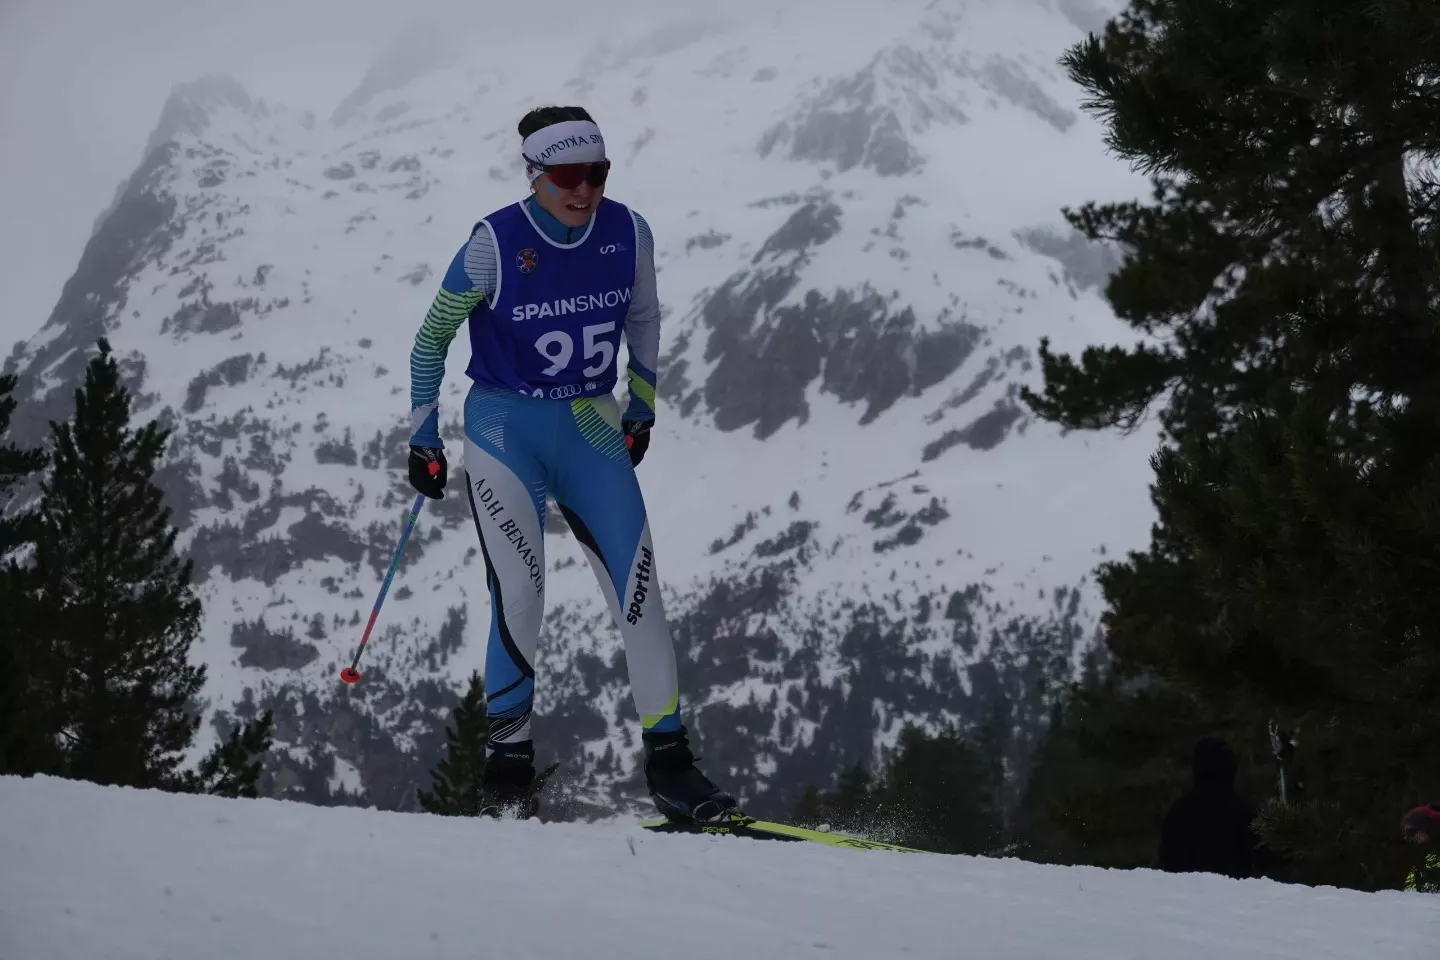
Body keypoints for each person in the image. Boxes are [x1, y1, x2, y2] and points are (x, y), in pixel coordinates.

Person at [406, 104, 736, 824]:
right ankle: (506, 775)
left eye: (597, 173)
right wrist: (423, 440)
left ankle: (673, 767)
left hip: (591, 425)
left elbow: (644, 318)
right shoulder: (494, 243)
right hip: (505, 429)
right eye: (567, 176)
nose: (584, 190)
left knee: (641, 594)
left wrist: (642, 408)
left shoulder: (628, 231)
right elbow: (432, 338)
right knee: (521, 597)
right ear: (534, 173)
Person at [1157, 737, 1262, 879]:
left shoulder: (1178, 812)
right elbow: (1266, 862)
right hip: (1234, 897)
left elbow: (1165, 863)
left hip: (1184, 896)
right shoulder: (1246, 812)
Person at [1401, 804, 1440, 893]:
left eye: (1413, 832)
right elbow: (1412, 881)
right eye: (1408, 836)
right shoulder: (1420, 850)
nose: (1413, 838)